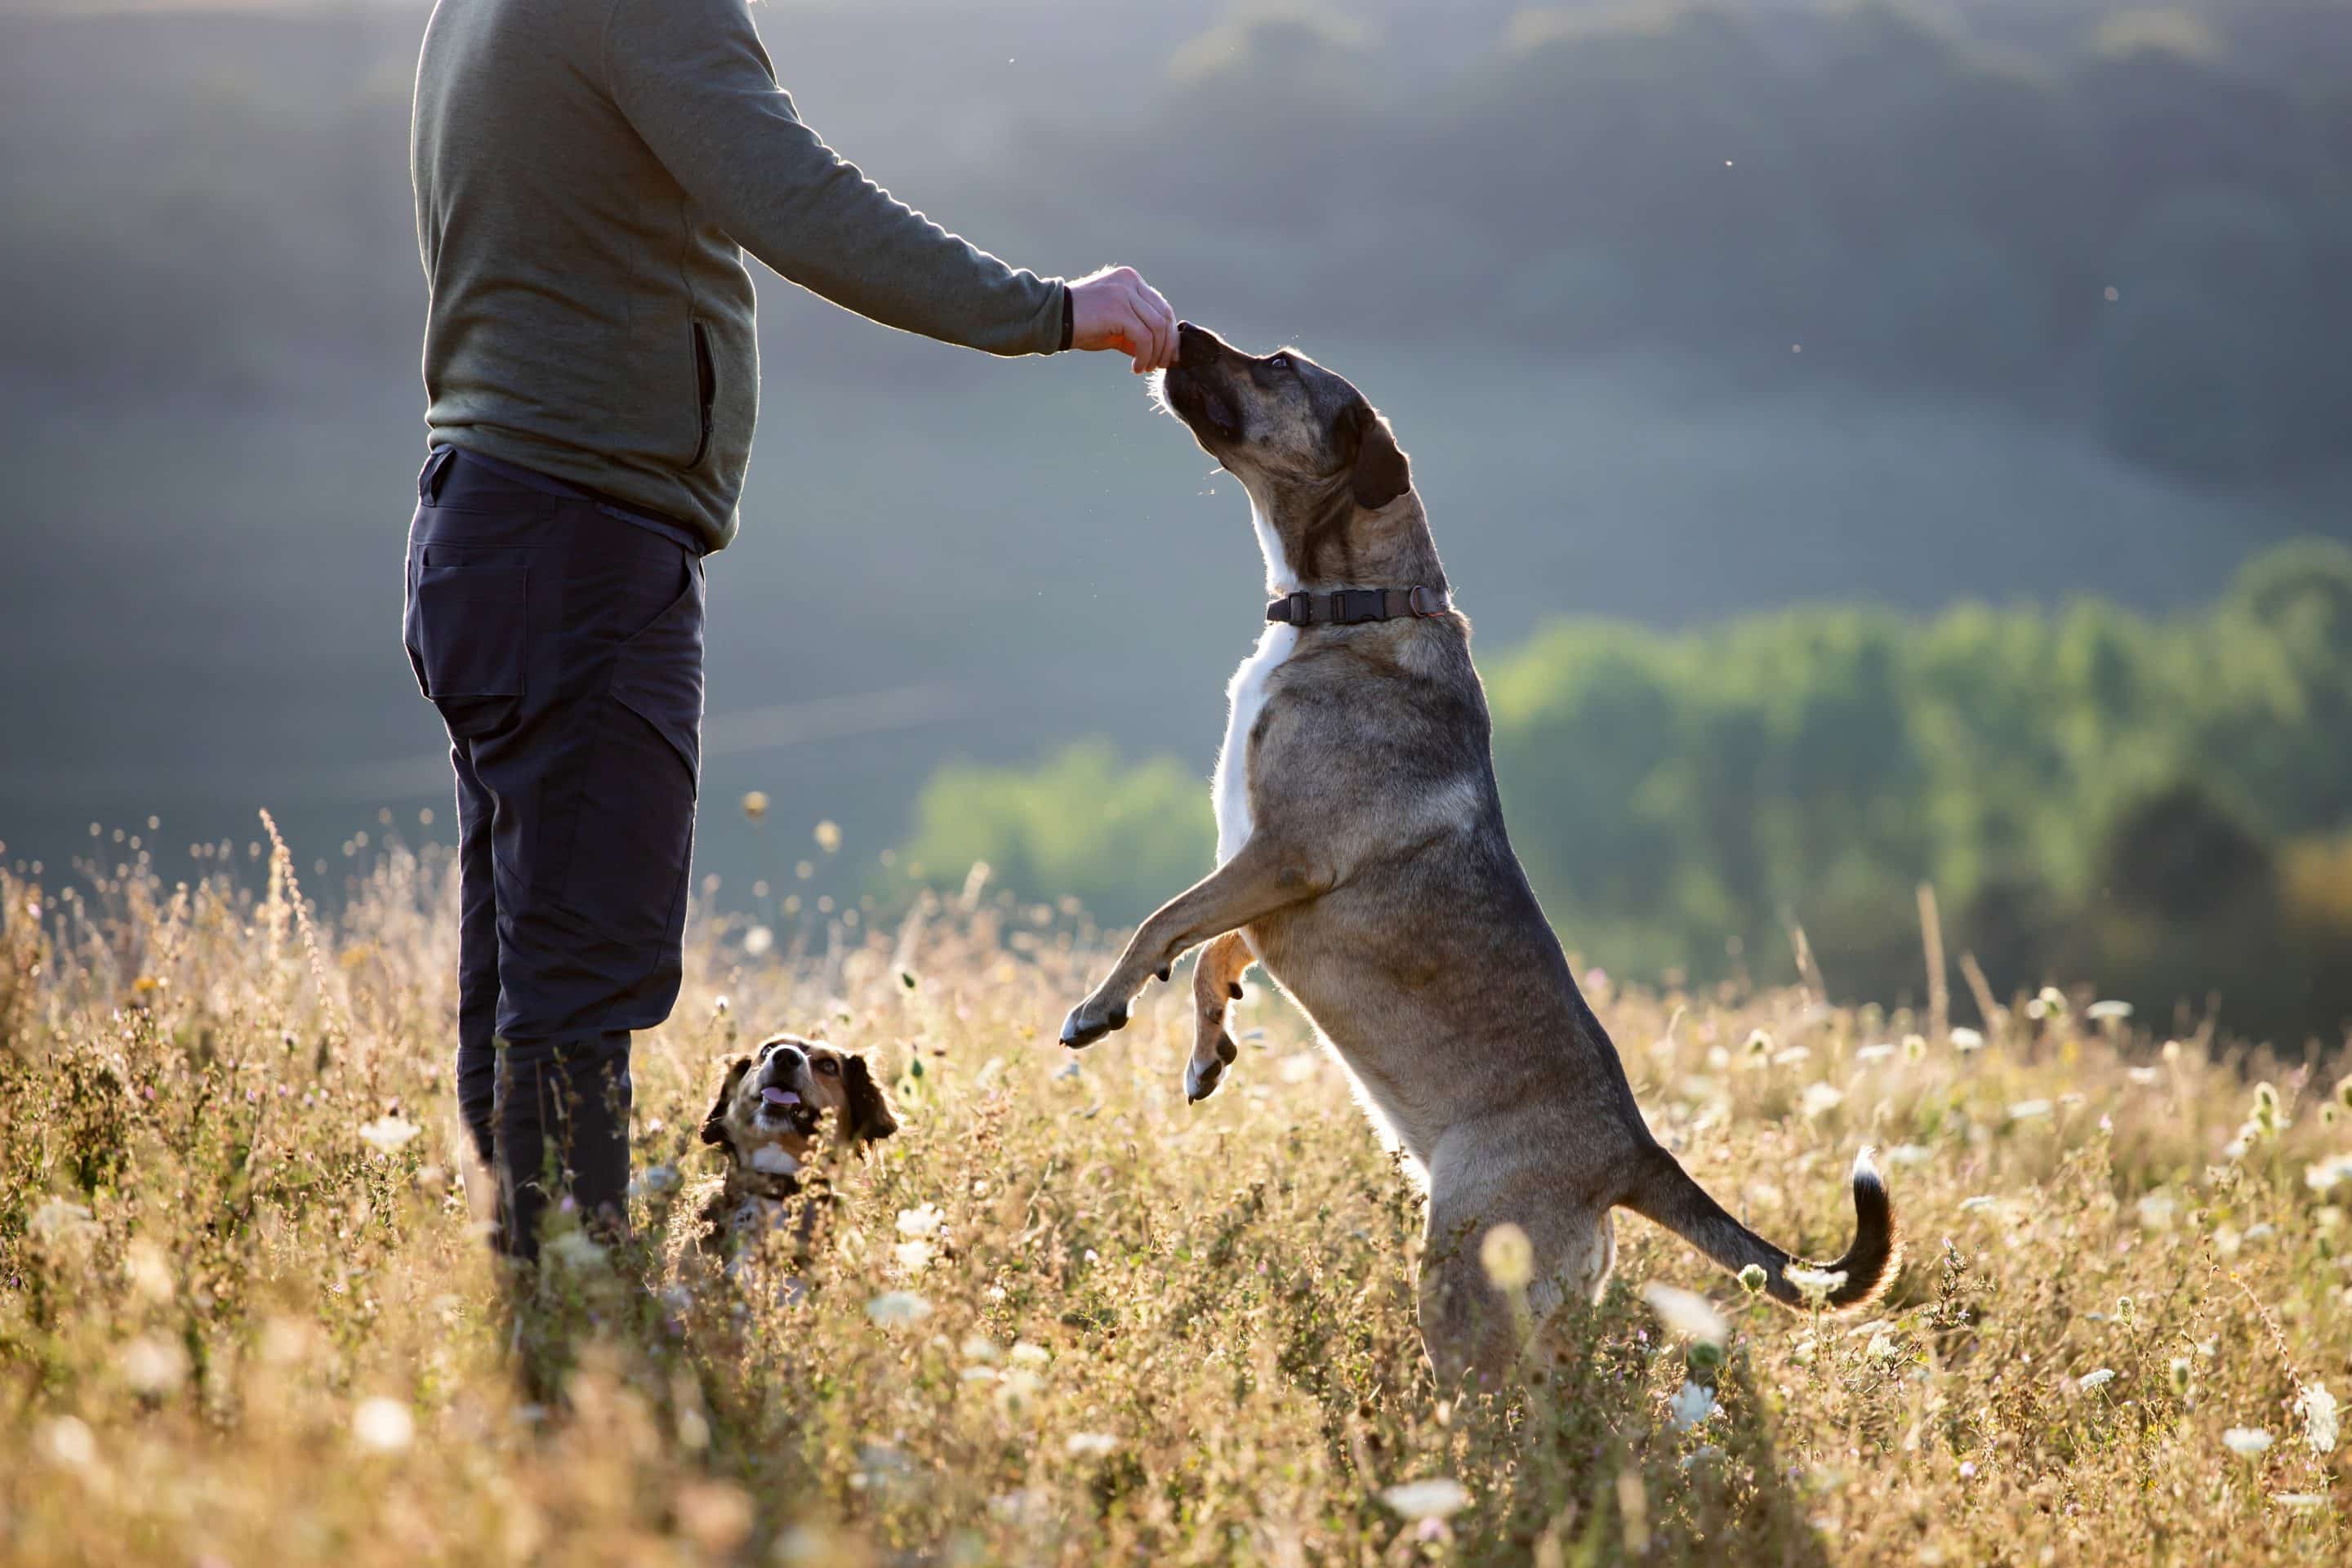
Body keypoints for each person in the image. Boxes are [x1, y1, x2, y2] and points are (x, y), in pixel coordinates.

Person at [403, 0, 1176, 1263]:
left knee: (524, 963)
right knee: (579, 978)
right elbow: (800, 200)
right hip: (580, 543)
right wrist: (1049, 309)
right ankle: (577, 1321)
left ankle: (533, 1300)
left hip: (488, 523)